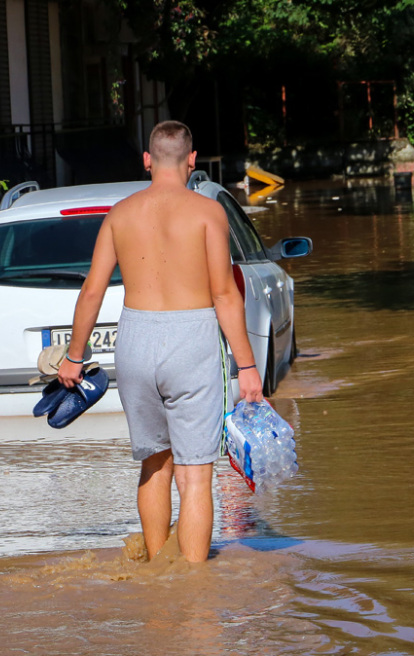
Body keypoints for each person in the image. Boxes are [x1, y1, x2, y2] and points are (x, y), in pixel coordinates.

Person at [57, 120, 263, 563]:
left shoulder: (120, 213)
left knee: (154, 464)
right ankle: (191, 583)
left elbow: (91, 291)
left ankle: (156, 571)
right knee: (194, 476)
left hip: (135, 339)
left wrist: (74, 358)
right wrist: (247, 368)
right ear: (193, 160)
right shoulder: (208, 213)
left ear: (147, 160)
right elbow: (225, 294)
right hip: (191, 338)